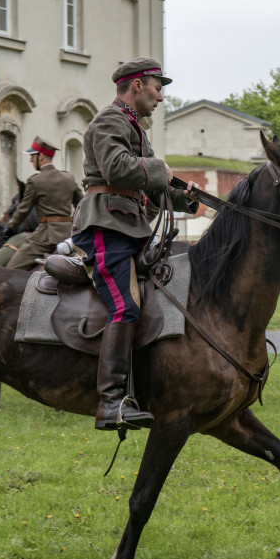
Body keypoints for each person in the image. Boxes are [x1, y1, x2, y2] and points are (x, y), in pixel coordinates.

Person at [69, 57, 200, 431]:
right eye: (159, 89)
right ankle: (111, 402)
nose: (161, 98)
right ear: (138, 85)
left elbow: (144, 184)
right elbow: (117, 170)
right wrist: (163, 172)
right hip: (105, 225)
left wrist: (184, 197)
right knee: (125, 305)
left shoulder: (135, 128)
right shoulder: (111, 119)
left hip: (126, 224)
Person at [2, 137, 83, 271]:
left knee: (11, 270)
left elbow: (23, 209)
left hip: (45, 236)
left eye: (32, 156)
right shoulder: (69, 178)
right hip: (69, 233)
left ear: (41, 156)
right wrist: (75, 225)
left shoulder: (35, 181)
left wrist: (11, 227)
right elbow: (81, 205)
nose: (30, 160)